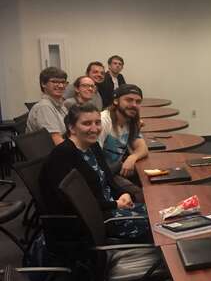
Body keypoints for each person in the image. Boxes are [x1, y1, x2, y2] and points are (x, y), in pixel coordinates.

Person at [40, 103, 150, 242]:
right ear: (72, 128)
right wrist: (115, 204)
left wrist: (123, 193)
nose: (94, 129)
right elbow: (78, 204)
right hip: (95, 221)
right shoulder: (62, 156)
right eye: (86, 123)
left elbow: (109, 179)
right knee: (157, 224)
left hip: (110, 208)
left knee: (160, 212)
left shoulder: (93, 146)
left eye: (97, 123)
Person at [98, 84, 149, 178]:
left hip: (117, 171)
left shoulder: (130, 120)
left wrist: (132, 157)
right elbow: (94, 158)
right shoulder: (103, 121)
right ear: (116, 101)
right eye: (129, 100)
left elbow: (143, 148)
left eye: (138, 101)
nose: (134, 105)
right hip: (102, 175)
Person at [26, 66, 69, 145]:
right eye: (55, 82)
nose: (61, 86)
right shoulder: (44, 107)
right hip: (53, 154)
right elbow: (56, 141)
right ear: (43, 84)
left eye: (63, 82)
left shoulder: (60, 105)